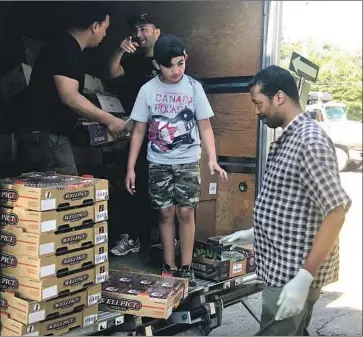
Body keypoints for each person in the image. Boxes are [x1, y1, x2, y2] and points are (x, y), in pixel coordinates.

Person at [220, 65, 351, 335]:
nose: (257, 111)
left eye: (259, 103)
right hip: (283, 267)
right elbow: (293, 205)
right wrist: (257, 233)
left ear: (279, 97)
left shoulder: (309, 141)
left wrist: (305, 277)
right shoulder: (290, 138)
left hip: (292, 273)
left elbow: (336, 212)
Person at [125, 34, 228, 284]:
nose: (175, 70)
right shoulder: (148, 90)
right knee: (165, 212)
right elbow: (138, 130)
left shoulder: (193, 87)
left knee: (185, 211)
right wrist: (130, 168)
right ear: (156, 65)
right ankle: (168, 265)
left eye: (180, 63)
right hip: (158, 161)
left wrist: (212, 159)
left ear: (186, 60)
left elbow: (205, 127)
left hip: (188, 160)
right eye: (169, 65)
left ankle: (187, 266)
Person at [16, 2, 126, 175]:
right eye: (106, 28)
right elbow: (69, 97)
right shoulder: (65, 48)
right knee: (65, 196)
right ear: (95, 26)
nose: (106, 34)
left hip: (40, 136)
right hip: (48, 137)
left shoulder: (66, 47)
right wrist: (110, 120)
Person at [107, 13, 161, 256]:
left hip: (164, 138)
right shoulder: (133, 62)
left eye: (144, 29)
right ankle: (134, 237)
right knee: (134, 184)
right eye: (136, 31)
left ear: (156, 31)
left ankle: (163, 240)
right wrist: (119, 51)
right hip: (138, 135)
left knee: (160, 189)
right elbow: (111, 72)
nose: (139, 35)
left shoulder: (167, 59)